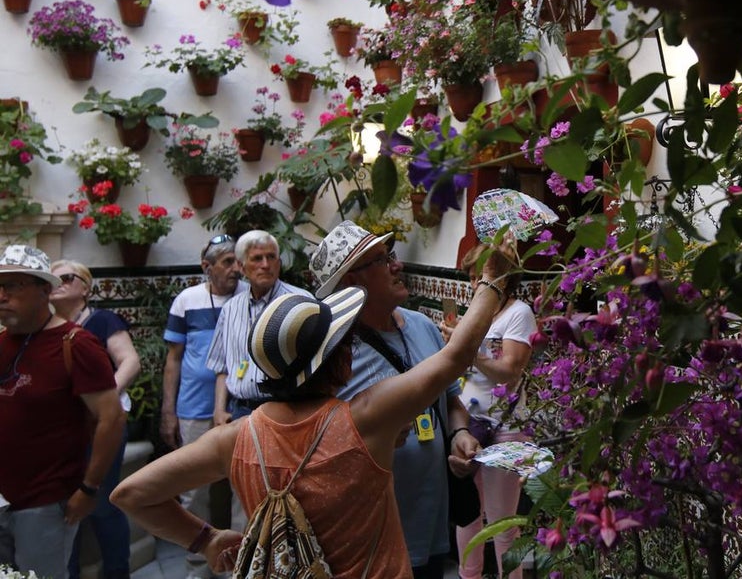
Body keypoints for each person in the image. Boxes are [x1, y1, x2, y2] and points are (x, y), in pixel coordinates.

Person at [109, 236, 518, 577]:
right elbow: (454, 357)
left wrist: (205, 539)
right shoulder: (363, 419)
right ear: (337, 362)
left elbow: (130, 494)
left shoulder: (235, 437)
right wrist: (493, 279)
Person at [308, 220, 477, 579]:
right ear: (352, 282)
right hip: (370, 540)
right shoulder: (334, 357)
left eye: (391, 255)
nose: (397, 265)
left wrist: (459, 435)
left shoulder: (423, 326)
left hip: (432, 526)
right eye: (383, 260)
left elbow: (451, 401)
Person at [0, 245, 125, 578]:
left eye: (12, 286)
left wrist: (89, 489)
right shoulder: (2, 343)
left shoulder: (75, 344)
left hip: (45, 501)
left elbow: (111, 418)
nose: (1, 295)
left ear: (45, 290)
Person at [204, 230, 310, 534]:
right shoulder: (231, 309)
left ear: (279, 262)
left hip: (285, 412)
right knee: (243, 489)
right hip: (240, 411)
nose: (265, 264)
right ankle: (246, 554)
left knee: (287, 489)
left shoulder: (300, 303)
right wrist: (219, 410)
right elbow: (222, 367)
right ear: (241, 266)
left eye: (271, 257)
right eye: (257, 259)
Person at [444, 245, 538, 579]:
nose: (475, 286)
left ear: (504, 278)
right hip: (470, 425)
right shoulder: (478, 313)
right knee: (468, 515)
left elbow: (509, 371)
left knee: (502, 522)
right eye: (471, 278)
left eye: (480, 277)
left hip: (505, 426)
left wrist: (469, 349)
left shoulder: (519, 313)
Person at [49, 259, 141, 579]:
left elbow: (129, 361)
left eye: (67, 277)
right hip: (63, 430)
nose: (59, 283)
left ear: (85, 288)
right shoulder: (47, 328)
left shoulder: (102, 321)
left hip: (100, 425)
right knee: (64, 508)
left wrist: (104, 400)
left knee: (102, 504)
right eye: (53, 279)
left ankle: (117, 573)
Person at [161, 234, 245, 579]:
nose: (236, 269)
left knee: (243, 488)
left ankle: (242, 565)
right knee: (194, 491)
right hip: (193, 408)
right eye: (227, 262)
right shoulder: (187, 300)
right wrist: (168, 411)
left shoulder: (250, 296)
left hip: (240, 408)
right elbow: (173, 359)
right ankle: (198, 567)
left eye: (237, 261)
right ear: (206, 267)